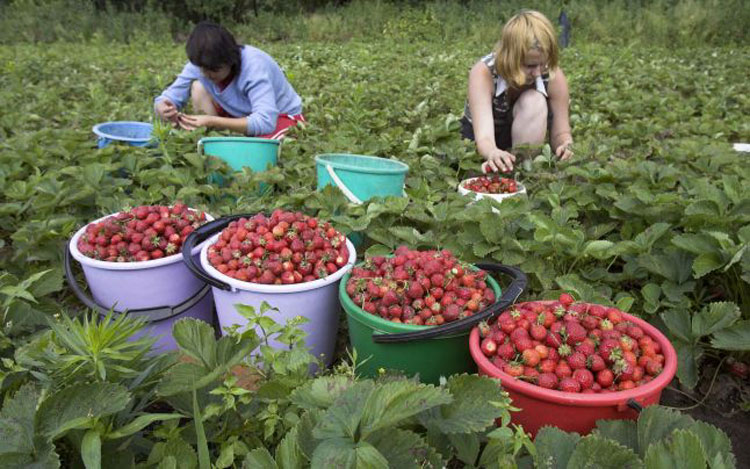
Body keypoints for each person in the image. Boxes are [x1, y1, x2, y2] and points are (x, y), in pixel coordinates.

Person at [460, 10, 573, 173]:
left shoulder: (554, 76)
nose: (538, 73)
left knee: (535, 101)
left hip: (523, 137)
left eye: (543, 64)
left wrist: (565, 144)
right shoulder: (484, 73)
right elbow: (484, 138)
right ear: (509, 58)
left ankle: (522, 171)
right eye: (530, 66)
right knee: (474, 170)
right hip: (482, 140)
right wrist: (492, 152)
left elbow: (561, 132)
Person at [154, 22, 304, 139]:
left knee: (262, 148)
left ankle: (225, 134)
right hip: (239, 115)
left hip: (278, 116)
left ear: (230, 60)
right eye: (202, 68)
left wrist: (212, 121)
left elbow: (265, 122)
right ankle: (218, 136)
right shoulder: (201, 63)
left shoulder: (254, 66)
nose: (207, 74)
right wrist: (163, 107)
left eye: (214, 69)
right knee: (198, 87)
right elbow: (169, 97)